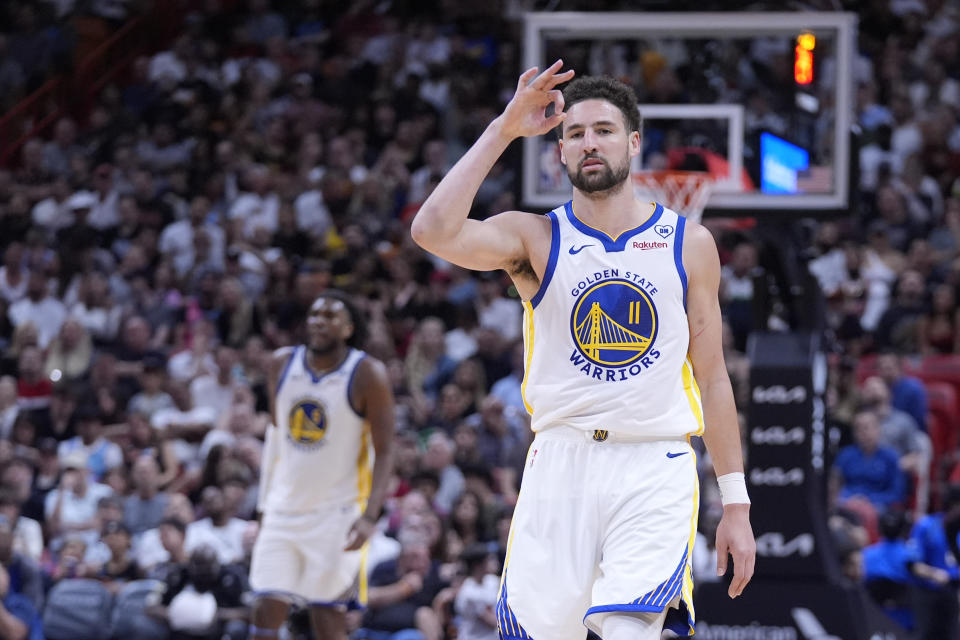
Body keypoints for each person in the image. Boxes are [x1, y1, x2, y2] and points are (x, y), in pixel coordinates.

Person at [411, 62, 755, 640]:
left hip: (654, 463)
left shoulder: (689, 244)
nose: (589, 142)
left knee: (623, 630)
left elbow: (714, 377)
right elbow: (432, 230)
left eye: (604, 129)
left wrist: (736, 504)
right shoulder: (536, 238)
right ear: (560, 152)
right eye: (574, 133)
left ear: (634, 142)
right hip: (559, 466)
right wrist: (503, 129)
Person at [249, 291, 395, 640]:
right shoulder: (281, 364)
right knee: (266, 605)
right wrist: (263, 505)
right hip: (284, 509)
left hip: (338, 513)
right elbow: (276, 439)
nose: (318, 321)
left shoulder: (367, 374)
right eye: (314, 314)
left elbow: (386, 450)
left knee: (326, 614)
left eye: (330, 316)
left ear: (348, 328)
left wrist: (370, 515)